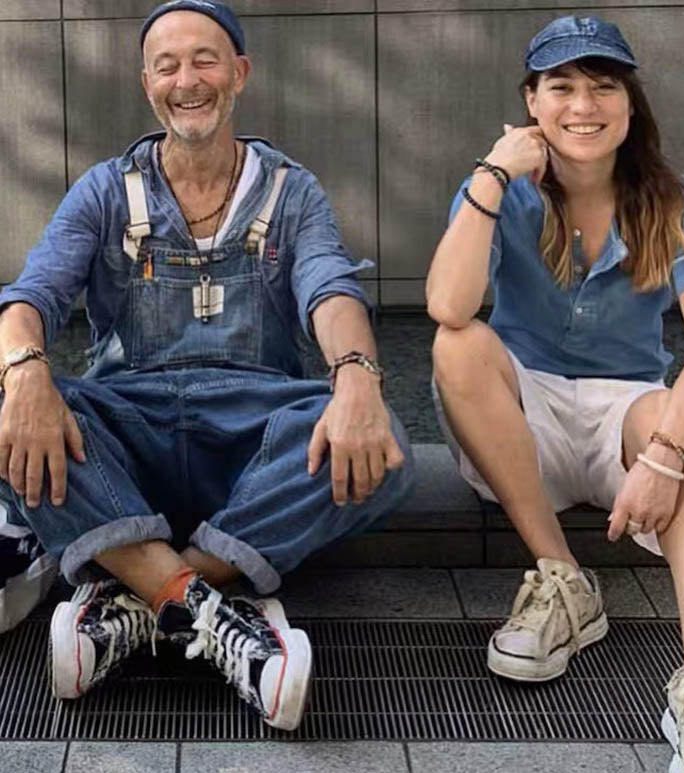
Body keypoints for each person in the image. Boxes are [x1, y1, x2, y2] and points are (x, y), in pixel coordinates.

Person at [0, 0, 413, 731]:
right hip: (129, 434)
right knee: (6, 407)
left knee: (385, 446)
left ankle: (142, 594)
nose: (187, 81)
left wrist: (355, 374)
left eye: (205, 61)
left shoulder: (291, 191)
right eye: (167, 66)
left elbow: (330, 289)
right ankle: (217, 613)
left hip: (252, 442)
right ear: (147, 85)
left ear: (239, 73)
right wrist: (26, 372)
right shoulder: (106, 189)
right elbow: (30, 296)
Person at [427, 15, 684, 773]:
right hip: (525, 426)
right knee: (459, 344)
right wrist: (491, 172)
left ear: (629, 103)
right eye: (562, 87)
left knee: (673, 416)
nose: (583, 106)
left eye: (603, 86)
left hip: (628, 418)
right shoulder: (499, 192)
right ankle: (563, 580)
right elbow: (448, 306)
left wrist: (665, 456)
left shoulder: (671, 201)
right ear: (532, 101)